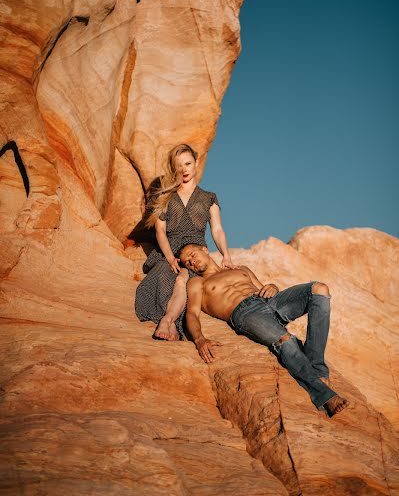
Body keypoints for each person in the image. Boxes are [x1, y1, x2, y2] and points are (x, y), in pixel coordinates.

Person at [178, 243, 350, 417]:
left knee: (319, 289)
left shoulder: (241, 269)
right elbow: (192, 313)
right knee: (285, 340)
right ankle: (326, 396)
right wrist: (199, 339)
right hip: (244, 312)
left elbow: (263, 288)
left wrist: (273, 286)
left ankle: (318, 369)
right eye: (186, 262)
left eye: (192, 255)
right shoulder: (197, 282)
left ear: (204, 250)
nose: (191, 261)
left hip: (270, 301)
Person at [135, 144, 234, 341]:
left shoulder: (208, 197)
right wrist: (170, 257)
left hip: (194, 253)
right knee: (168, 276)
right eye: (179, 166)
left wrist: (226, 255)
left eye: (188, 163)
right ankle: (167, 321)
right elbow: (160, 231)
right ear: (174, 169)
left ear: (197, 163)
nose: (184, 169)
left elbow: (217, 229)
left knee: (183, 280)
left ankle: (168, 321)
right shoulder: (166, 196)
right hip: (169, 251)